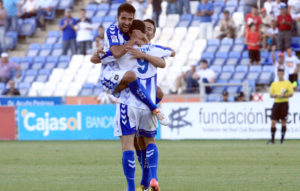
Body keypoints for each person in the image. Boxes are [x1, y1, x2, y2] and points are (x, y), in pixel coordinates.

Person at [100, 19, 173, 191]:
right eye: (145, 29)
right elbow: (168, 56)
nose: (147, 32)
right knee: (144, 142)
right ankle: (149, 181)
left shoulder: (129, 49)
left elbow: (103, 58)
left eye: (150, 30)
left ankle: (137, 186)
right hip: (147, 105)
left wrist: (99, 55)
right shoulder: (153, 49)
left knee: (132, 144)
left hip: (130, 103)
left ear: (153, 34)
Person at [90, 4, 173, 125]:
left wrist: (144, 53)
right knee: (131, 76)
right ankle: (154, 109)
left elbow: (165, 60)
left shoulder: (148, 47)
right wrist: (132, 42)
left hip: (132, 80)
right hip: (113, 75)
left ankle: (144, 112)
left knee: (158, 92)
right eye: (124, 18)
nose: (127, 22)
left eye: (130, 19)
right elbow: (100, 57)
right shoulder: (118, 35)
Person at [267, 68, 293, 144]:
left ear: (283, 74)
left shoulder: (287, 83)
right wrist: (274, 95)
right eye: (279, 73)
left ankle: (282, 140)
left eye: (281, 73)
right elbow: (271, 95)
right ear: (277, 74)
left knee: (284, 121)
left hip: (284, 103)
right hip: (276, 103)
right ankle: (272, 140)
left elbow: (291, 94)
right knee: (273, 122)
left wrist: (284, 96)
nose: (280, 75)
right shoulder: (274, 84)